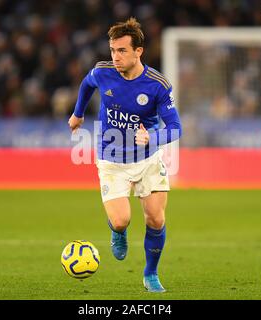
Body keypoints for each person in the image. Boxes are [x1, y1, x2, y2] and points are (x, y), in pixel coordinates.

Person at [68, 18, 182, 292]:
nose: (115, 57)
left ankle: (150, 274)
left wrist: (152, 137)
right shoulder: (103, 72)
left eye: (122, 51)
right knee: (121, 220)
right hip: (111, 158)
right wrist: (78, 113)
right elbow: (86, 85)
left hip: (147, 159)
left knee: (155, 219)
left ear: (138, 52)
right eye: (113, 50)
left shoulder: (157, 84)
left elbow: (176, 128)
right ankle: (117, 232)